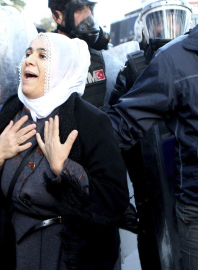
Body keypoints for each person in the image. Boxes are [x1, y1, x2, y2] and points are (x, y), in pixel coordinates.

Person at [0, 33, 129, 269]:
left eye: (43, 56)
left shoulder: (91, 122)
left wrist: (65, 168)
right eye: (28, 53)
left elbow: (115, 199)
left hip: (68, 253)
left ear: (63, 68)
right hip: (13, 247)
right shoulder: (12, 110)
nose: (29, 60)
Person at [106, 1, 192, 269]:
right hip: (148, 167)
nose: (167, 27)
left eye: (174, 19)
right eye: (158, 20)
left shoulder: (186, 58)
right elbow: (121, 120)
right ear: (145, 26)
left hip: (179, 167)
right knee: (152, 231)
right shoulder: (135, 64)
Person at [48, 0, 112, 109]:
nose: (88, 14)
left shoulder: (100, 52)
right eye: (79, 9)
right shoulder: (45, 57)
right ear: (57, 16)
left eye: (89, 8)